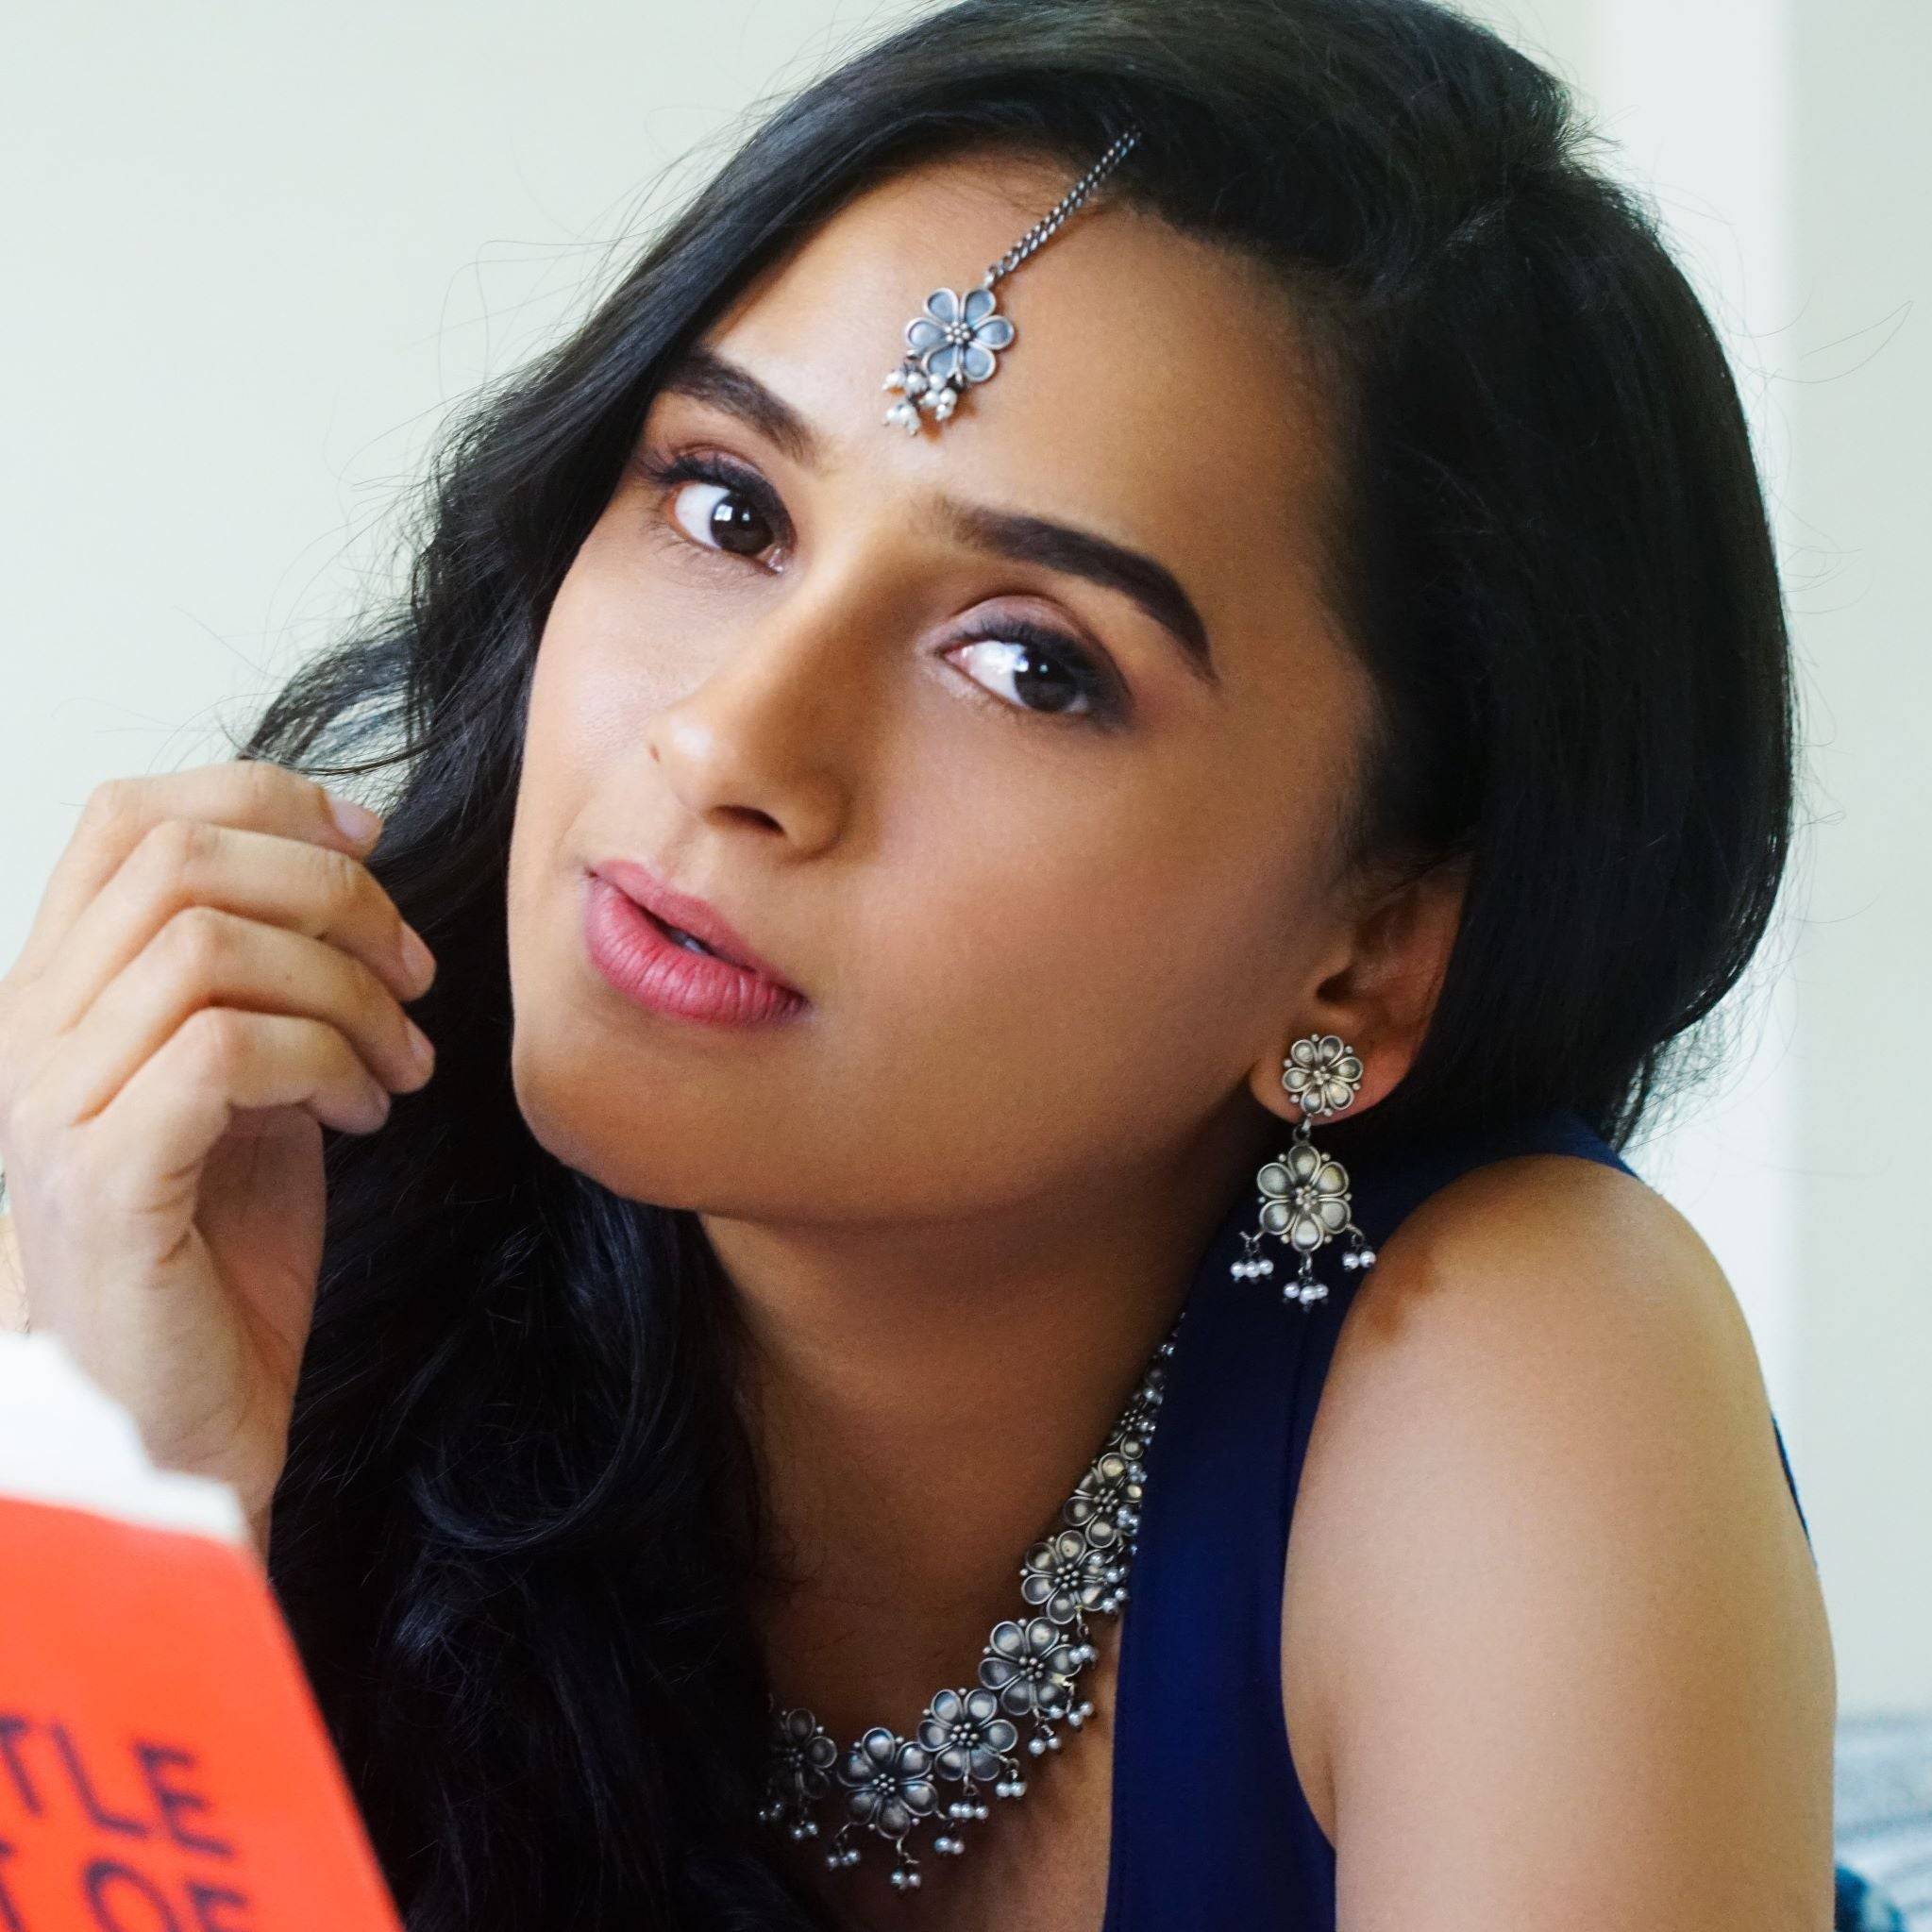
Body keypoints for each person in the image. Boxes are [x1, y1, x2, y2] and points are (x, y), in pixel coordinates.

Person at [0, 0, 1841, 1925]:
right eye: (726, 507)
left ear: (1366, 952)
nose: (730, 742)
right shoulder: (204, 1241)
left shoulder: (1513, 1381)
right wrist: (133, 1516)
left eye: (1031, 661)